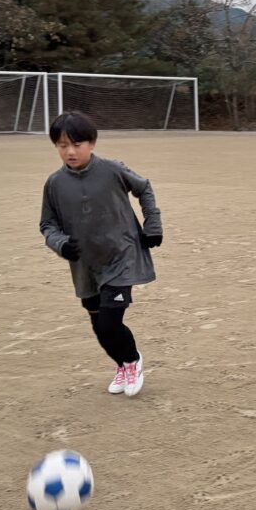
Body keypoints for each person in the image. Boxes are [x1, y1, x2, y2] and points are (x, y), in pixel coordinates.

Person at [40, 111, 163, 397]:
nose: (70, 152)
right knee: (98, 326)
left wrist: (153, 225)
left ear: (92, 143)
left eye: (77, 144)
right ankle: (121, 364)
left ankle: (132, 360)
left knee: (110, 322)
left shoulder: (112, 169)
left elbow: (144, 188)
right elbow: (47, 224)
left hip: (122, 256)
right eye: (62, 145)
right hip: (85, 265)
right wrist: (60, 244)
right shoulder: (54, 184)